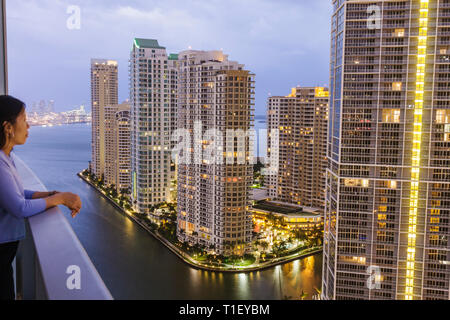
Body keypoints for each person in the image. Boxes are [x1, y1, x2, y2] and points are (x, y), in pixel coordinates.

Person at [0, 95, 82, 300]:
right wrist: (60, 199)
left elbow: (15, 193)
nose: (28, 125)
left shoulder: (6, 157)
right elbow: (19, 207)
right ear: (7, 127)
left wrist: (48, 194)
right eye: (24, 119)